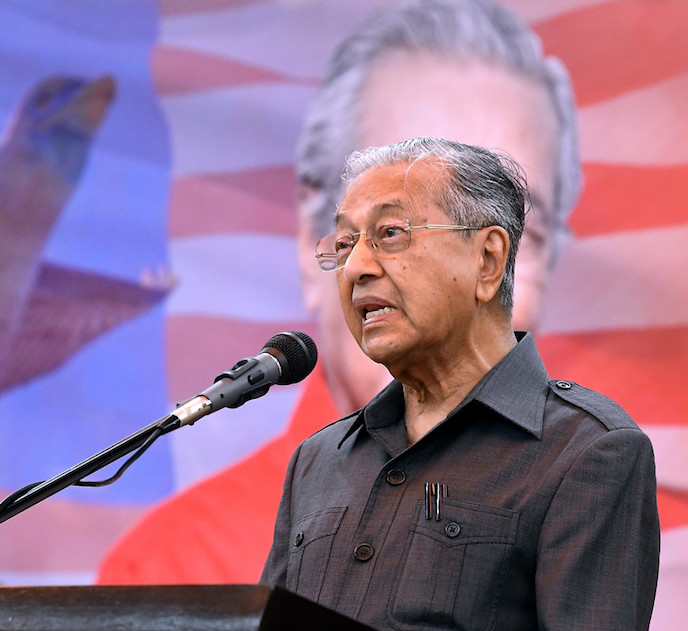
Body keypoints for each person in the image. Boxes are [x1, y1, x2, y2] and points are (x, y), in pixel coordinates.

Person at [97, 0, 580, 584]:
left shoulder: (582, 526)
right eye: (397, 229)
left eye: (496, 245)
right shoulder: (172, 573)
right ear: (313, 240)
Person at [259, 136, 659, 631]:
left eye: (389, 234)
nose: (358, 266)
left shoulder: (588, 452)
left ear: (488, 261)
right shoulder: (319, 461)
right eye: (343, 244)